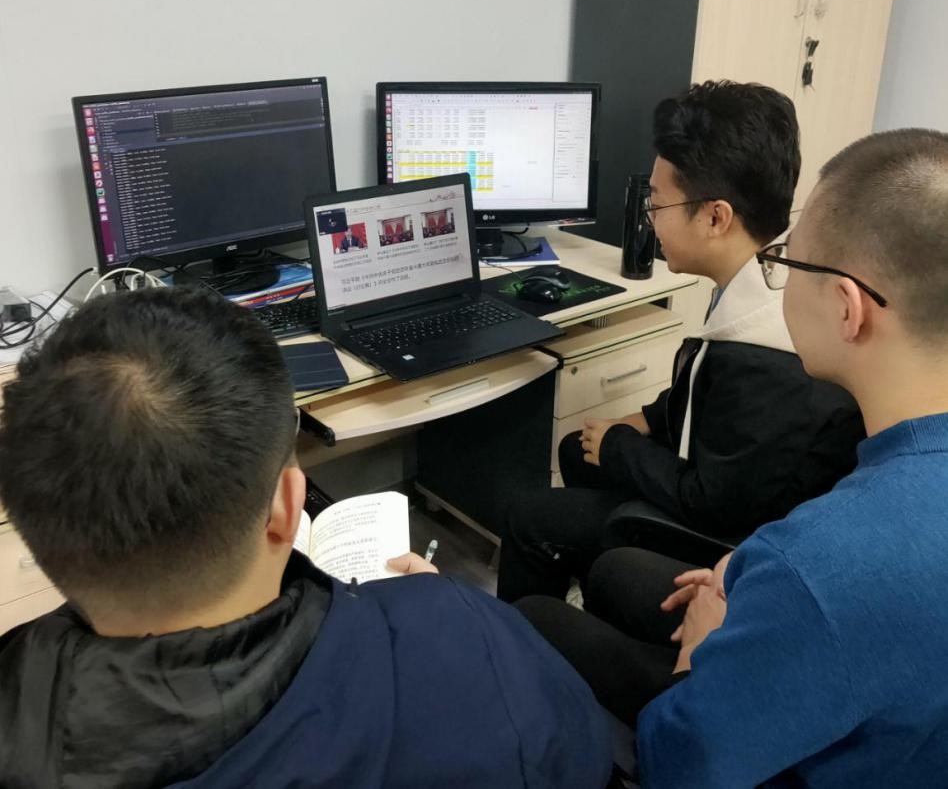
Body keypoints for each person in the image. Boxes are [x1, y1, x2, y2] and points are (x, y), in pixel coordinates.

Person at [0, 287, 612, 788]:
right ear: (288, 504)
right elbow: (581, 757)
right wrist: (438, 616)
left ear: (39, 535)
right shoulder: (462, 635)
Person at [633, 128, 948, 785]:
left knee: (543, 630)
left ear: (847, 308)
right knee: (620, 573)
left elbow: (678, 765)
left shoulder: (823, 559)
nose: (777, 280)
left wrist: (703, 650)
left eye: (788, 263)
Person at [497, 80, 863, 603]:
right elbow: (711, 396)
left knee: (529, 516)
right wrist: (649, 418)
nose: (650, 219)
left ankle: (546, 625)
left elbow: (715, 503)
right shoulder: (768, 278)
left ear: (715, 217)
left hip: (728, 539)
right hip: (728, 479)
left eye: (656, 202)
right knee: (576, 449)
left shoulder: (768, 361)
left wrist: (621, 446)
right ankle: (601, 593)